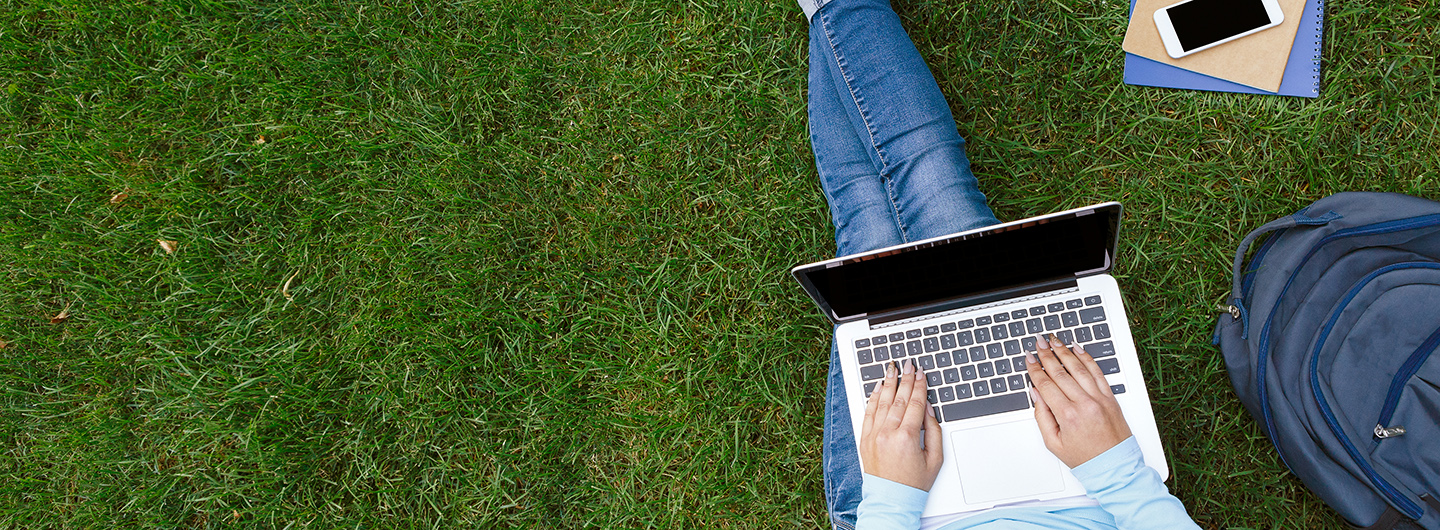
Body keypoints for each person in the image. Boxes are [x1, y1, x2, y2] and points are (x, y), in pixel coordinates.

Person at [798, 0, 1205, 528]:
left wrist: (891, 502)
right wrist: (1117, 472)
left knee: (875, 216)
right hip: (1097, 497)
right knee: (905, 203)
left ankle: (836, 7)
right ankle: (831, 9)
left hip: (896, 514)